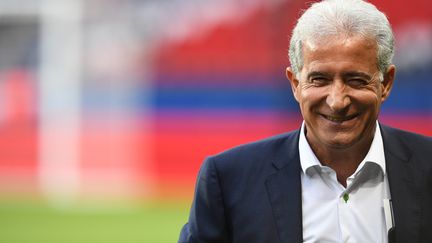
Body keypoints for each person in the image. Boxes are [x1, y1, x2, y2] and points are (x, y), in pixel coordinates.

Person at [178, 0, 432, 242]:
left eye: (356, 79)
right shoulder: (227, 180)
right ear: (295, 84)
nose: (337, 101)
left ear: (386, 83)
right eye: (319, 79)